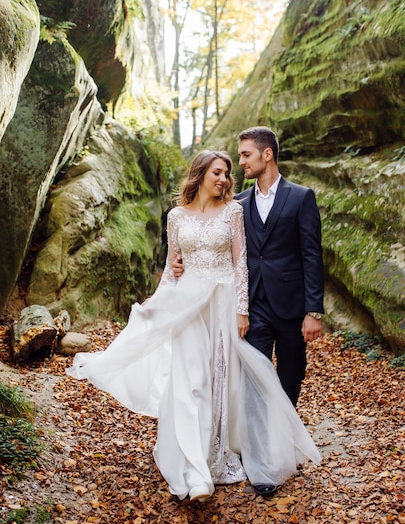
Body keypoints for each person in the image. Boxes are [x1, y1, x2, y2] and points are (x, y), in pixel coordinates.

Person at [67, 150, 320, 503]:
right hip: (187, 304)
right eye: (218, 172)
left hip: (223, 303)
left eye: (228, 173)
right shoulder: (175, 217)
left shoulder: (233, 212)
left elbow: (241, 265)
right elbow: (172, 267)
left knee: (222, 380)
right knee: (190, 382)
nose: (224, 179)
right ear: (200, 173)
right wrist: (158, 301)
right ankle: (195, 471)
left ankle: (222, 451)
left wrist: (242, 311)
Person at [235, 126, 324, 407]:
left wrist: (314, 311)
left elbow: (311, 255)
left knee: (291, 376)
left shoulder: (301, 197)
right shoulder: (239, 203)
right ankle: (258, 445)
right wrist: (180, 261)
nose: (241, 162)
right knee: (254, 376)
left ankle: (284, 440)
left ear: (268, 154)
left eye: (246, 155)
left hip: (292, 308)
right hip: (254, 305)